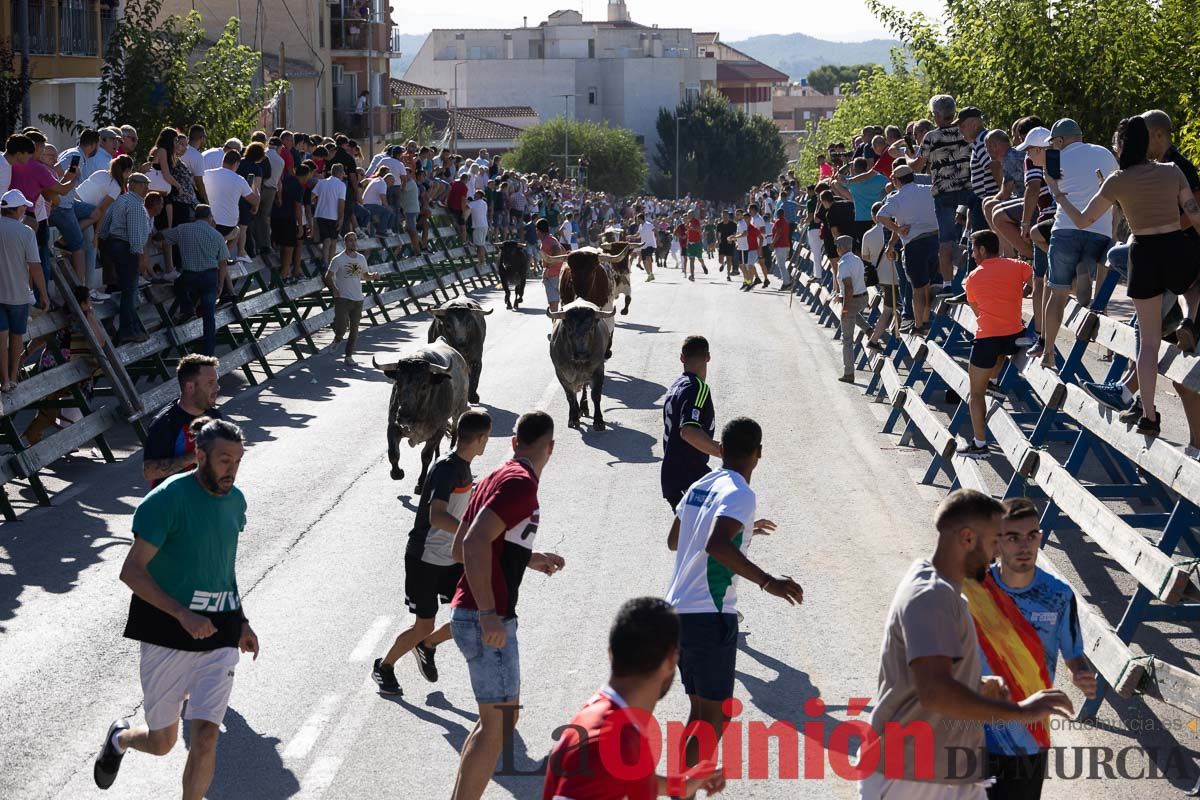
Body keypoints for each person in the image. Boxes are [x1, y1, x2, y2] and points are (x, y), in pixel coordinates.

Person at [857, 489, 1075, 800]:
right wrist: (1019, 711)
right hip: (908, 777)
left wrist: (974, 683)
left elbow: (932, 677)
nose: (997, 552)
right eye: (994, 540)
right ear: (968, 539)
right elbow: (934, 691)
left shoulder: (944, 591)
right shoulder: (930, 597)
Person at [93, 418, 259, 796]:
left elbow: (223, 569)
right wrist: (182, 613)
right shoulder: (166, 499)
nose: (231, 469)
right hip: (166, 634)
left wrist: (242, 622)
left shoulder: (236, 501)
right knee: (163, 742)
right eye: (223, 460)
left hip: (219, 634)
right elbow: (131, 572)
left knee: (205, 740)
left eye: (238, 460)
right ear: (199, 455)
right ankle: (121, 737)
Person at [665, 417, 803, 768]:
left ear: (721, 450)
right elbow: (717, 545)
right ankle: (683, 791)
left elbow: (675, 540)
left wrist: (743, 526)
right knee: (715, 717)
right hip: (708, 616)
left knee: (700, 713)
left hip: (678, 613)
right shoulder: (741, 493)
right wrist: (768, 581)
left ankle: (683, 788)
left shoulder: (701, 485)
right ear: (758, 454)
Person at [1049, 115, 1200, 435]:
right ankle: (1190, 318)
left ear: (1120, 146)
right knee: (1194, 287)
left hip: (1143, 254)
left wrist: (1059, 195)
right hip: (1174, 245)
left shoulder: (1117, 180)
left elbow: (1084, 219)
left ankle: (1148, 416)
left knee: (1147, 344)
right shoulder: (1171, 171)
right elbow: (1194, 213)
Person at [448, 410, 565, 800]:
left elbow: (462, 544)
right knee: (497, 726)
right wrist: (488, 614)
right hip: (486, 617)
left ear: (514, 442)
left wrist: (529, 557)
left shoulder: (498, 475)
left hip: (477, 613)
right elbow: (471, 545)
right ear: (550, 448)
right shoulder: (520, 485)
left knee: (496, 722)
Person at [964, 498, 1097, 800]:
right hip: (972, 735)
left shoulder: (1059, 595)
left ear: (1040, 538)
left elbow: (1073, 652)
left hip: (1029, 738)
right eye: (1013, 537)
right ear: (997, 540)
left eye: (1031, 536)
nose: (1024, 546)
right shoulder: (972, 590)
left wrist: (1081, 672)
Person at [541, 597, 726, 799]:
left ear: (611, 653)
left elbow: (625, 778)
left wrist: (685, 785)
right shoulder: (609, 743)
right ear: (672, 660)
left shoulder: (604, 717)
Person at [373, 410, 493, 695]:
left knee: (469, 616)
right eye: (486, 437)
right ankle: (384, 666)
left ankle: (427, 646)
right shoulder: (448, 468)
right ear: (480, 438)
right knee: (423, 624)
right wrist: (469, 533)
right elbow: (437, 516)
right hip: (424, 558)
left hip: (451, 557)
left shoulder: (463, 467)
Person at [1034, 118, 1118, 370]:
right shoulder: (1104, 152)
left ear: (1060, 140)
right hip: (1100, 230)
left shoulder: (1056, 160)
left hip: (1066, 229)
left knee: (1056, 294)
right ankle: (1084, 279)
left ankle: (1048, 352)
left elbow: (1054, 189)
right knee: (1088, 277)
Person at [959, 231, 1033, 457]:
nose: (972, 254)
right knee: (1000, 353)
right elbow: (1036, 279)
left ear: (982, 249)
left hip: (988, 339)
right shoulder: (1016, 265)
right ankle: (993, 381)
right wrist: (1024, 291)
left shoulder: (972, 277)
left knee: (975, 394)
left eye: (973, 249)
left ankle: (980, 445)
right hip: (1014, 336)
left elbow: (976, 310)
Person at [910, 94, 972, 288]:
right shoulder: (965, 132)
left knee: (945, 240)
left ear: (937, 114)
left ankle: (947, 284)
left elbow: (917, 166)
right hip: (968, 188)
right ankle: (972, 275)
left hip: (944, 192)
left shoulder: (931, 137)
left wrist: (906, 157)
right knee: (972, 233)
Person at [159, 205, 230, 356]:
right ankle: (208, 353)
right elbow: (223, 263)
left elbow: (163, 238)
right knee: (209, 315)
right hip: (210, 277)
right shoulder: (216, 235)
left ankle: (188, 309)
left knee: (179, 285)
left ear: (195, 216)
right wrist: (221, 284)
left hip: (189, 275)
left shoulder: (183, 229)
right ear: (210, 217)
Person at [143, 355, 222, 487]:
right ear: (190, 387)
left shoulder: (214, 416)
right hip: (173, 501)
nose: (217, 387)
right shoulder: (164, 423)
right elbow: (149, 471)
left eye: (216, 382)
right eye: (210, 383)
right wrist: (193, 458)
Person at [661, 336, 721, 511]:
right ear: (708, 357)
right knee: (722, 521)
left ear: (681, 358)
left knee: (691, 532)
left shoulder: (675, 387)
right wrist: (725, 452)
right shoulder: (698, 388)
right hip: (691, 476)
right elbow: (688, 431)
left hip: (672, 476)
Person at [878, 165, 940, 333]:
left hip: (915, 244)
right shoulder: (928, 189)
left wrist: (897, 230)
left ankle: (919, 325)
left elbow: (880, 216)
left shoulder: (895, 198)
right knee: (928, 285)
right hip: (936, 240)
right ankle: (926, 320)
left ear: (896, 180)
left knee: (918, 289)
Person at [0, 190, 48, 392]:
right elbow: (35, 267)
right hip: (18, 295)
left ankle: (3, 380)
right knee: (17, 337)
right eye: (23, 207)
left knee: (1, 338)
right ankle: (12, 377)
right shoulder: (26, 232)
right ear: (16, 209)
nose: (24, 210)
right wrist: (44, 295)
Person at [98, 173, 153, 344]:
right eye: (144, 184)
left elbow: (104, 226)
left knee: (117, 288)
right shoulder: (135, 205)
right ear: (134, 184)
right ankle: (127, 330)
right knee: (129, 291)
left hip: (113, 246)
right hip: (126, 249)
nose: (147, 188)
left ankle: (111, 325)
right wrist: (141, 258)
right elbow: (136, 236)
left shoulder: (119, 201)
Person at [324, 231, 380, 365]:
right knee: (342, 327)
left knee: (354, 330)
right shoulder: (338, 259)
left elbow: (364, 275)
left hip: (358, 299)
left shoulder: (361, 258)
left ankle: (348, 356)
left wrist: (373, 276)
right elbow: (328, 276)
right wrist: (334, 289)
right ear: (345, 243)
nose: (353, 243)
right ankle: (337, 339)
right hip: (342, 298)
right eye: (350, 240)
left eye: (355, 240)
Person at [203, 150, 257, 266]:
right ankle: (223, 257)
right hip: (227, 226)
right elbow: (254, 200)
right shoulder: (239, 179)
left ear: (223, 161)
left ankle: (220, 258)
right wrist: (254, 187)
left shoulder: (206, 174)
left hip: (207, 221)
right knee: (237, 232)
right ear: (237, 164)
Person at [864, 202, 899, 351]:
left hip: (880, 277)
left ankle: (881, 338)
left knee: (889, 308)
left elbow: (865, 257)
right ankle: (874, 340)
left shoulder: (868, 234)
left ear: (873, 216)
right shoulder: (894, 231)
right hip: (896, 276)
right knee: (888, 310)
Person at [835, 235, 869, 383]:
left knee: (847, 339)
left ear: (841, 248)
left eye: (837, 246)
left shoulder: (843, 264)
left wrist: (844, 310)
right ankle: (868, 329)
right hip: (863, 297)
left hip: (853, 299)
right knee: (854, 314)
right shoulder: (857, 259)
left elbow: (849, 289)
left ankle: (849, 373)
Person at [271, 163, 308, 285]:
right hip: (288, 218)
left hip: (275, 216)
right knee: (289, 247)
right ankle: (284, 275)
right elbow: (297, 207)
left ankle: (281, 274)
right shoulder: (298, 186)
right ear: (306, 175)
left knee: (281, 245)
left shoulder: (286, 178)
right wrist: (300, 225)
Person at [312, 163, 348, 267]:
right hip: (333, 216)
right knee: (332, 241)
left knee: (325, 239)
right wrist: (341, 218)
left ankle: (325, 262)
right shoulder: (341, 185)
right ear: (340, 173)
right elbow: (341, 203)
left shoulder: (321, 182)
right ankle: (329, 262)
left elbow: (312, 196)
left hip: (320, 215)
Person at [537, 218, 566, 313]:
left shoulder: (548, 240)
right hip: (557, 274)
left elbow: (557, 251)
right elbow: (563, 251)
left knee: (553, 303)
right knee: (558, 302)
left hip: (553, 275)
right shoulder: (551, 239)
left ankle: (555, 324)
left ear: (538, 230)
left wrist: (548, 267)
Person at [467, 189, 489, 265]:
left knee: (479, 245)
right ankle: (483, 260)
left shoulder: (474, 203)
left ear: (479, 195)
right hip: (484, 225)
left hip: (478, 225)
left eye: (476, 194)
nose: (474, 195)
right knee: (481, 244)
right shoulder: (484, 203)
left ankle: (482, 261)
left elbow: (466, 207)